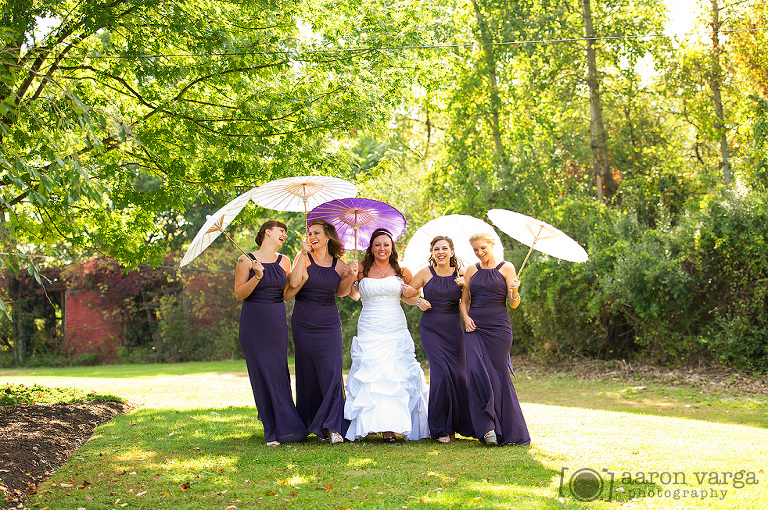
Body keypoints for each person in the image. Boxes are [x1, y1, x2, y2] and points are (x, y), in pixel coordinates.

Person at [344, 228, 429, 443]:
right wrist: (353, 277)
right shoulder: (362, 268)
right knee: (372, 373)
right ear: (371, 248)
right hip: (370, 326)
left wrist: (417, 299)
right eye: (378, 244)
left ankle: (392, 428)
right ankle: (371, 424)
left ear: (392, 248)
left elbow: (407, 296)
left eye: (386, 244)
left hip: (394, 326)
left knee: (395, 374)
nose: (382, 248)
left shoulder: (402, 270)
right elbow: (353, 295)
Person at [234, 220, 308, 446]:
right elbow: (239, 295)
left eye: (285, 231)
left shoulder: (284, 260)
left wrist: (302, 264)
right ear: (268, 232)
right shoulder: (245, 260)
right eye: (281, 230)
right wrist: (256, 276)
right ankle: (270, 430)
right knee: (260, 374)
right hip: (253, 322)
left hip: (276, 321)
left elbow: (286, 294)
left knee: (278, 372)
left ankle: (286, 425)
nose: (284, 234)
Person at [288, 219, 356, 444]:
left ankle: (333, 426)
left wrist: (351, 276)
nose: (312, 236)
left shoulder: (339, 264)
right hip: (303, 322)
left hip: (329, 324)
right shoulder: (303, 258)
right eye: (310, 233)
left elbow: (342, 293)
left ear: (327, 236)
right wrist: (301, 256)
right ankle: (312, 423)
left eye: (316, 233)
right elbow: (293, 284)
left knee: (331, 372)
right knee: (308, 373)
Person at [460, 232, 530, 446]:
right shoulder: (471, 270)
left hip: (499, 329)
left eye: (483, 248)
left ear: (492, 245)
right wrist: (466, 318)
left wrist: (515, 292)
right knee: (474, 370)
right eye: (475, 250)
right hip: (475, 328)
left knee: (497, 375)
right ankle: (486, 427)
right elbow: (464, 301)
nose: (479, 253)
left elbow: (514, 304)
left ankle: (503, 429)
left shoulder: (507, 268)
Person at [404, 236, 472, 443]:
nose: (440, 252)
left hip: (453, 328)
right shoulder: (425, 273)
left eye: (444, 248)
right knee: (441, 374)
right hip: (431, 328)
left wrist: (466, 284)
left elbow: (474, 298)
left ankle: (459, 425)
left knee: (459, 375)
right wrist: (418, 301)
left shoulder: (462, 274)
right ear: (432, 252)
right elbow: (405, 293)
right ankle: (441, 428)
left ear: (452, 252)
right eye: (436, 249)